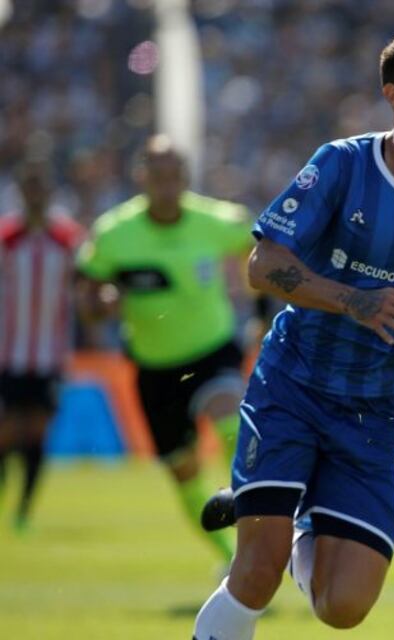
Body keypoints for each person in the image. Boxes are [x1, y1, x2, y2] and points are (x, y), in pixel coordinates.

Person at [192, 31, 394, 640]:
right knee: (257, 572)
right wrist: (354, 300)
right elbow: (262, 266)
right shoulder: (342, 163)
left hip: (375, 407)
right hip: (293, 384)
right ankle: (271, 506)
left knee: (342, 607)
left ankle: (292, 508)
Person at [75, 135, 255, 563]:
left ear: (186, 177)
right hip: (154, 367)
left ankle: (252, 518)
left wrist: (263, 316)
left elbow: (262, 256)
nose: (166, 184)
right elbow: (87, 295)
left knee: (232, 421)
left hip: (213, 352)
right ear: (141, 177)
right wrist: (100, 306)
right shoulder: (114, 233)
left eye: (174, 175)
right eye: (157, 175)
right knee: (184, 473)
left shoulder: (218, 220)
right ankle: (231, 558)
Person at [0, 162, 84, 533]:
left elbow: (84, 287)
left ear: (48, 193)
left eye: (40, 187)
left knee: (36, 432)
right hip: (8, 353)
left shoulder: (67, 239)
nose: (35, 194)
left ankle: (23, 510)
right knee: (6, 431)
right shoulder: (6, 238)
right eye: (29, 187)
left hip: (49, 355)